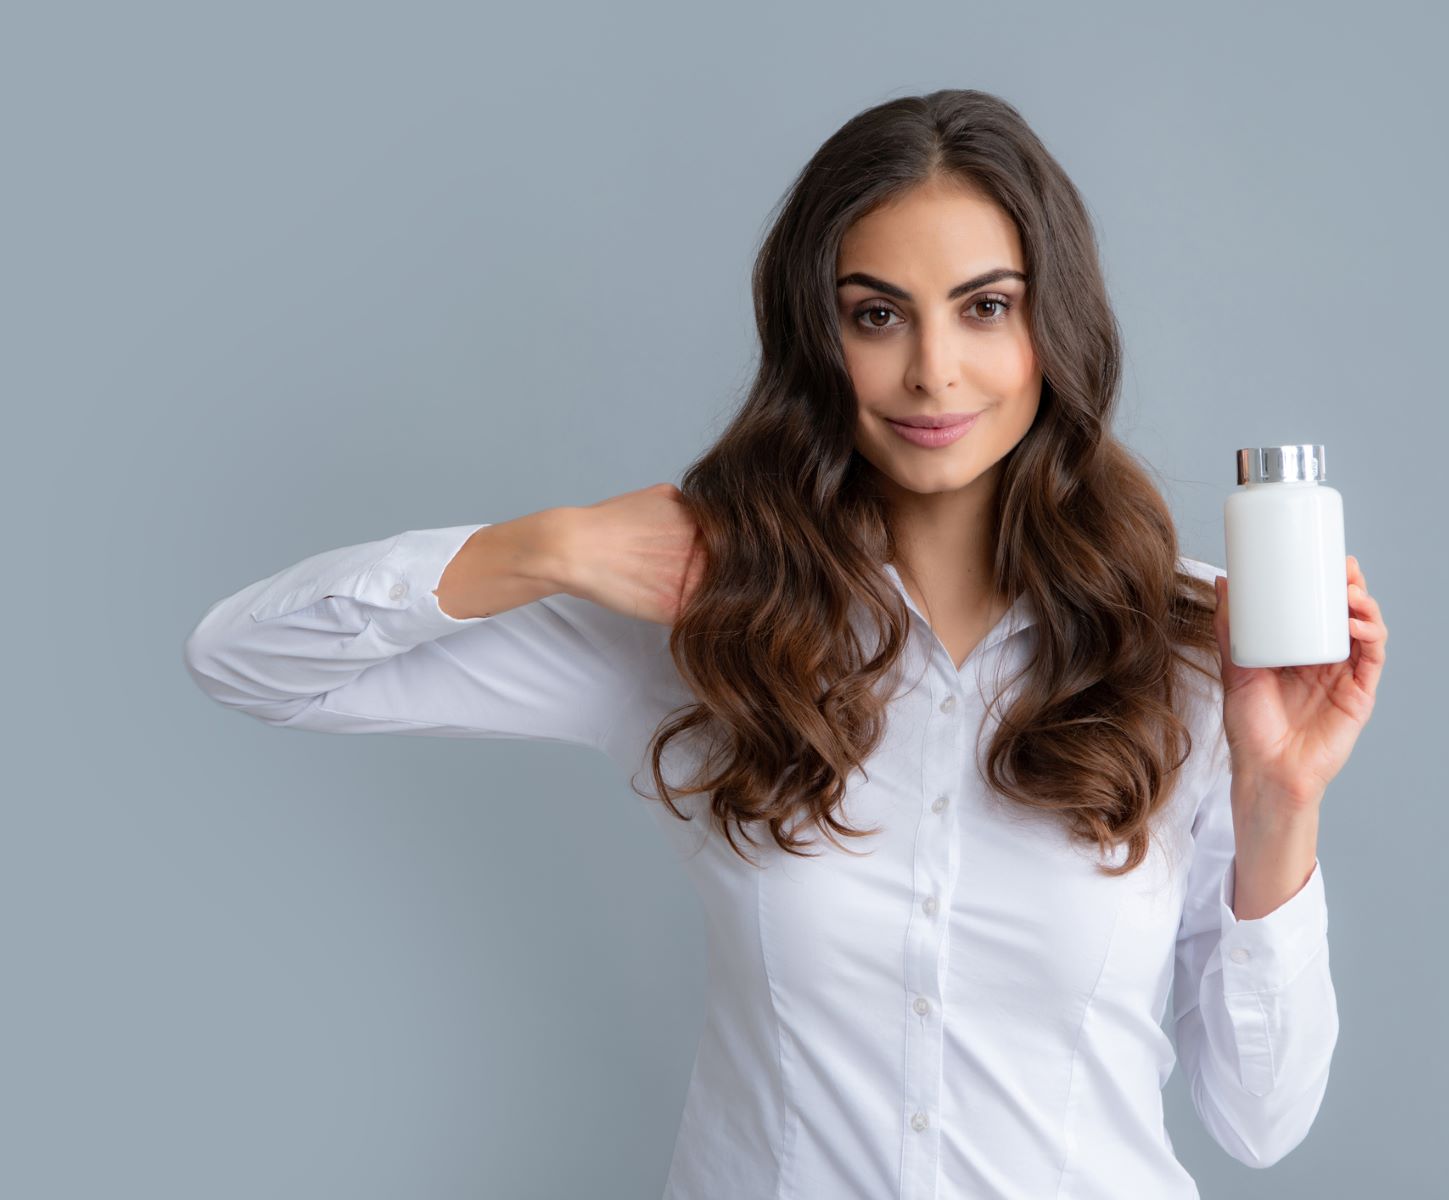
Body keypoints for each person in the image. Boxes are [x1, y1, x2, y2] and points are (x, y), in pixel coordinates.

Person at [184, 88, 1388, 1197]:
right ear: (819, 337)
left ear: (1052, 326)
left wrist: (1281, 803)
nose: (932, 372)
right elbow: (243, 660)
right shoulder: (705, 617)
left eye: (986, 307)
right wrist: (545, 545)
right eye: (877, 316)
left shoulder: (1194, 647)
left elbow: (1260, 1121)